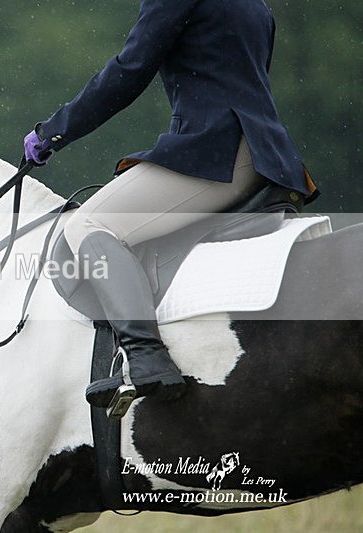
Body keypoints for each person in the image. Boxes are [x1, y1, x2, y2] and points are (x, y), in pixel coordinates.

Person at [23, 0, 317, 408]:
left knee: (87, 227)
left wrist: (54, 132)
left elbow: (130, 69)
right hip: (266, 156)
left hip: (217, 153)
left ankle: (145, 358)